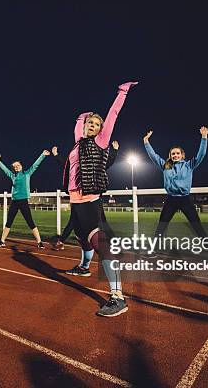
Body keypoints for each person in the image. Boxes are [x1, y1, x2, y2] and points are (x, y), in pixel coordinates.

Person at [62, 81, 138, 317]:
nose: (93, 126)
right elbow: (77, 124)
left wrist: (122, 92)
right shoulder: (77, 143)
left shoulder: (100, 141)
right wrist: (82, 117)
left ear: (99, 130)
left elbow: (113, 114)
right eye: (90, 124)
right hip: (76, 201)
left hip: (90, 201)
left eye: (96, 125)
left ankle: (118, 297)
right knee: (83, 239)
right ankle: (84, 268)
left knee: (100, 244)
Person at [143, 127, 208, 258]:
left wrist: (204, 137)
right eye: (173, 154)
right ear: (170, 156)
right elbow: (154, 156)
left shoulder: (189, 165)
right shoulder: (166, 165)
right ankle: (153, 250)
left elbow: (201, 155)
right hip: (171, 200)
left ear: (182, 155)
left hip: (185, 199)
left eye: (177, 153)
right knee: (161, 226)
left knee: (196, 226)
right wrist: (146, 142)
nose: (175, 155)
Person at [50, 141, 119, 250]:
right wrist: (56, 155)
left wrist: (114, 151)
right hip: (77, 198)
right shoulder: (76, 165)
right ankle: (61, 242)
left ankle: (114, 244)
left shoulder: (95, 164)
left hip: (92, 198)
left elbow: (107, 163)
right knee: (73, 222)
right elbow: (65, 165)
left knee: (101, 222)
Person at [0, 150, 50, 248]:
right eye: (15, 166)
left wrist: (43, 155)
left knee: (30, 222)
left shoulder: (27, 174)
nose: (16, 167)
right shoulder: (12, 176)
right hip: (14, 202)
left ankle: (39, 242)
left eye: (18, 165)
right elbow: (5, 170)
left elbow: (35, 165)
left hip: (23, 201)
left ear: (21, 166)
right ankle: (2, 241)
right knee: (9, 221)